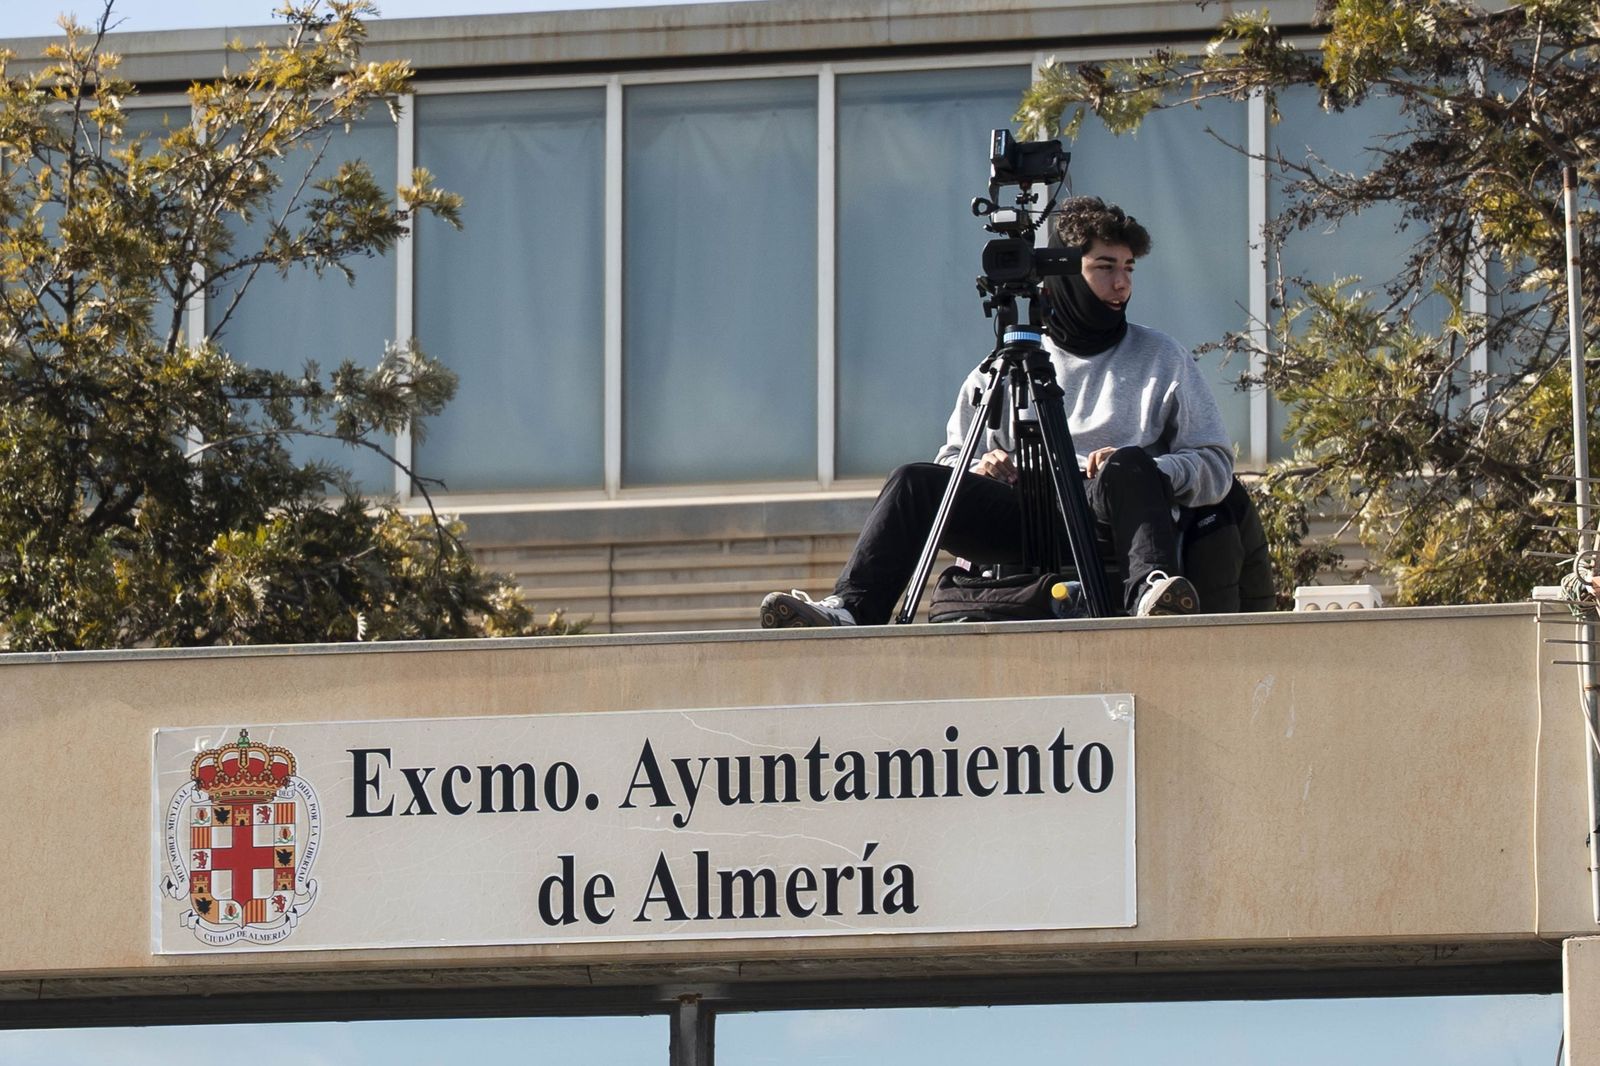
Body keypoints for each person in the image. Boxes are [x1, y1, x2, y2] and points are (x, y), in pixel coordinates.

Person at [760, 196, 1234, 627]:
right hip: (1021, 516)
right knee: (913, 481)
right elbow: (951, 459)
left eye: (1129, 268)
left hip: (1107, 518)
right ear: (1063, 272)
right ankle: (850, 609)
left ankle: (1153, 593)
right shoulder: (1005, 365)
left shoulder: (1161, 356)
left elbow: (1216, 466)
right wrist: (982, 471)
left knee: (1130, 463)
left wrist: (1147, 470)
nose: (1122, 283)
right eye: (1105, 267)